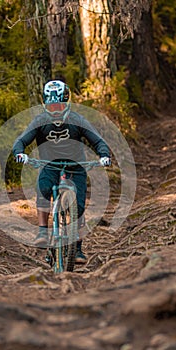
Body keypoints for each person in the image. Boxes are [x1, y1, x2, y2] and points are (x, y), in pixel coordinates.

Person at [13, 80, 111, 264]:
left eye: (58, 106)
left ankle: (78, 249)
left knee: (79, 208)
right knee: (43, 190)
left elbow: (98, 141)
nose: (55, 110)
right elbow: (21, 141)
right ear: (45, 105)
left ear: (66, 103)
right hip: (49, 165)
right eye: (51, 106)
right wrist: (19, 153)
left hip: (76, 167)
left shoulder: (77, 120)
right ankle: (43, 231)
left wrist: (104, 155)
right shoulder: (40, 121)